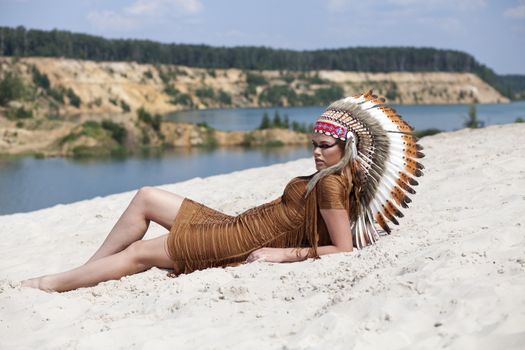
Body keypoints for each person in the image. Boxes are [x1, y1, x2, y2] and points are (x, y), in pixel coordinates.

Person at [21, 91, 424, 292]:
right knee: (145, 195)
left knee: (142, 252)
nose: (317, 153)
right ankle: (84, 272)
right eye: (314, 144)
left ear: (346, 146)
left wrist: (283, 254)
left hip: (237, 241)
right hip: (236, 224)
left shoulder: (333, 184)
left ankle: (53, 284)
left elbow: (343, 249)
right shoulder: (334, 176)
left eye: (325, 146)